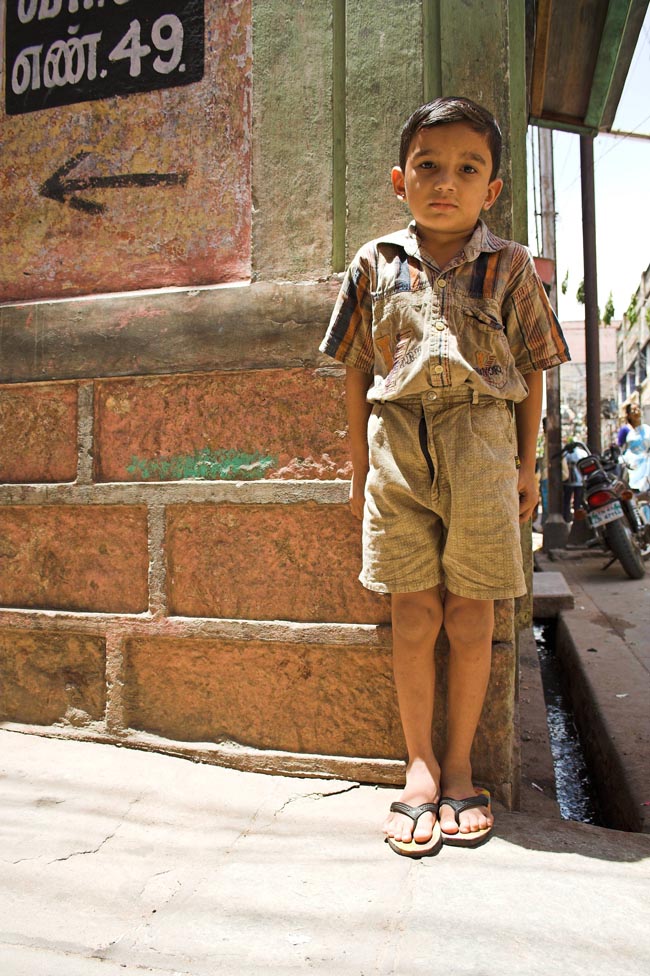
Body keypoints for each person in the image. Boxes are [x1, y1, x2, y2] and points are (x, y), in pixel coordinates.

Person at [320, 96, 569, 858]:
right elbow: (357, 368)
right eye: (428, 166)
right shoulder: (375, 264)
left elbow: (533, 367)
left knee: (471, 615)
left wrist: (527, 470)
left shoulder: (512, 266)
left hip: (484, 447)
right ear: (402, 179)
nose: (445, 182)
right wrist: (360, 472)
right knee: (415, 613)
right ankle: (420, 768)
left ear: (491, 189)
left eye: (468, 169)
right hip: (398, 448)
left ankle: (460, 764)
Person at [620, 403, 650, 491]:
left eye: (637, 409)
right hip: (634, 468)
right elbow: (621, 449)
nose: (636, 412)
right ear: (628, 415)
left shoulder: (647, 429)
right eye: (633, 410)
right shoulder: (626, 431)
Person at [562, 440, 587, 522]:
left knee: (567, 501)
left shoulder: (566, 453)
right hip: (579, 480)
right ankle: (577, 518)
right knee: (577, 501)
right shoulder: (583, 453)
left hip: (569, 480)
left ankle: (567, 517)